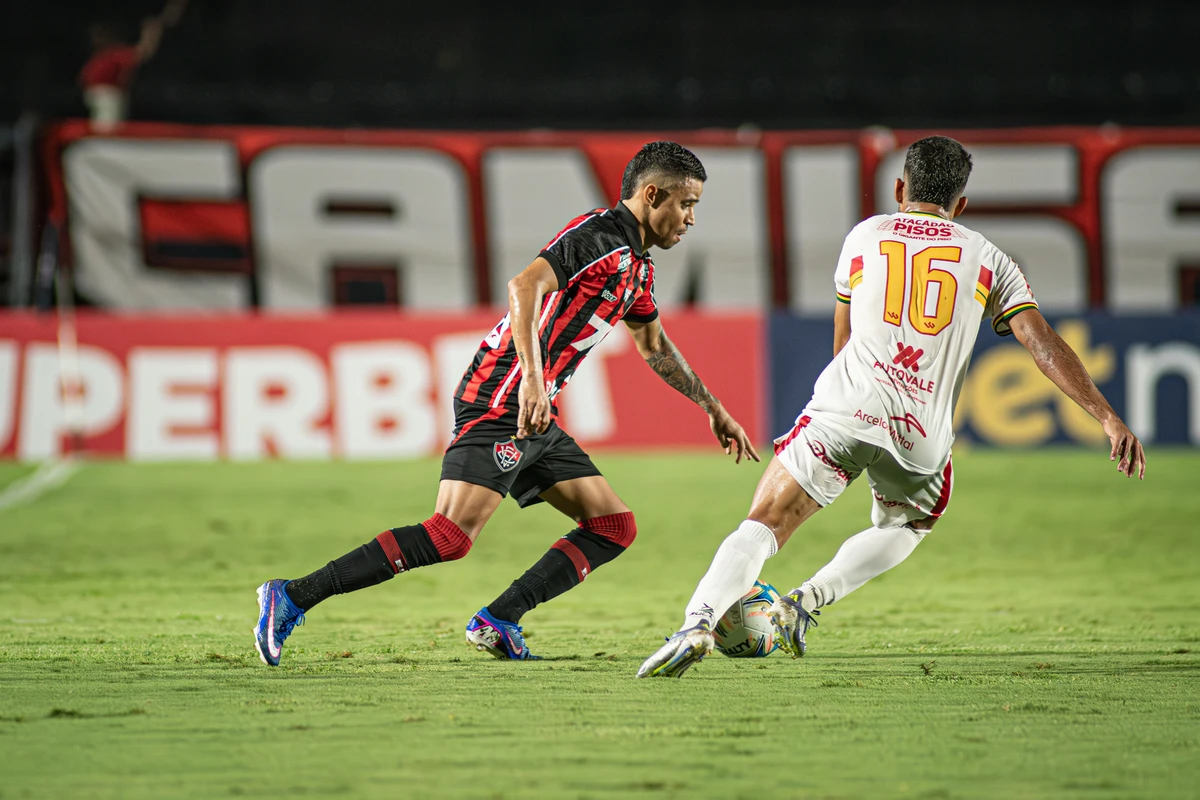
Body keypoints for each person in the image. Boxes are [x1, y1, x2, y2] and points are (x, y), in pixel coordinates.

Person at [637, 135, 1146, 679]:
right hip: (919, 434)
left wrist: (841, 413)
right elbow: (1041, 342)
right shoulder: (989, 257)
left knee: (763, 523)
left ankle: (697, 623)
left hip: (843, 408)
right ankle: (802, 603)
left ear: (900, 187)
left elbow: (843, 337)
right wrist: (1107, 416)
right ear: (962, 204)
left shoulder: (865, 236)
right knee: (910, 523)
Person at [254, 141, 761, 667]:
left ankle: (498, 620)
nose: (691, 218)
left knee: (613, 526)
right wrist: (535, 381)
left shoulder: (638, 268)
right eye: (686, 204)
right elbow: (524, 286)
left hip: (533, 413)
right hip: (504, 397)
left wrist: (711, 406)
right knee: (449, 535)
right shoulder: (598, 238)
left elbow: (653, 345)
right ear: (652, 194)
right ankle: (290, 596)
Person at [79, 0, 187, 131]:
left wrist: (152, 31)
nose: (95, 37)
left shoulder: (116, 53)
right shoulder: (101, 55)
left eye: (100, 33)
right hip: (93, 97)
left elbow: (143, 52)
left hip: (108, 97)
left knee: (107, 132)